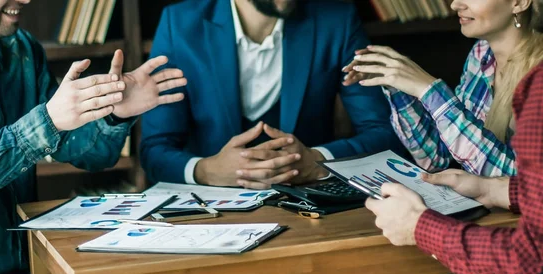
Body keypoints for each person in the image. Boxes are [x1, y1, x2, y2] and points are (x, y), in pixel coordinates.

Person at [0, 0, 188, 274]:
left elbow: (90, 153)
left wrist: (113, 113)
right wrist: (47, 121)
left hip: (33, 271)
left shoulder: (22, 51)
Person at [343, 0, 543, 274]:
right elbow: (439, 158)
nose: (454, 3)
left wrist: (430, 91)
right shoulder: (481, 57)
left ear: (519, 2)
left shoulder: (539, 79)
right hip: (492, 240)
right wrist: (399, 86)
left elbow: (527, 185)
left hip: (520, 259)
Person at [140, 0, 404, 189]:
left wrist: (319, 161)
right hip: (212, 211)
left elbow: (385, 133)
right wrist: (206, 171)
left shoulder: (337, 18)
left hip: (312, 203)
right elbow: (155, 151)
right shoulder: (179, 25)